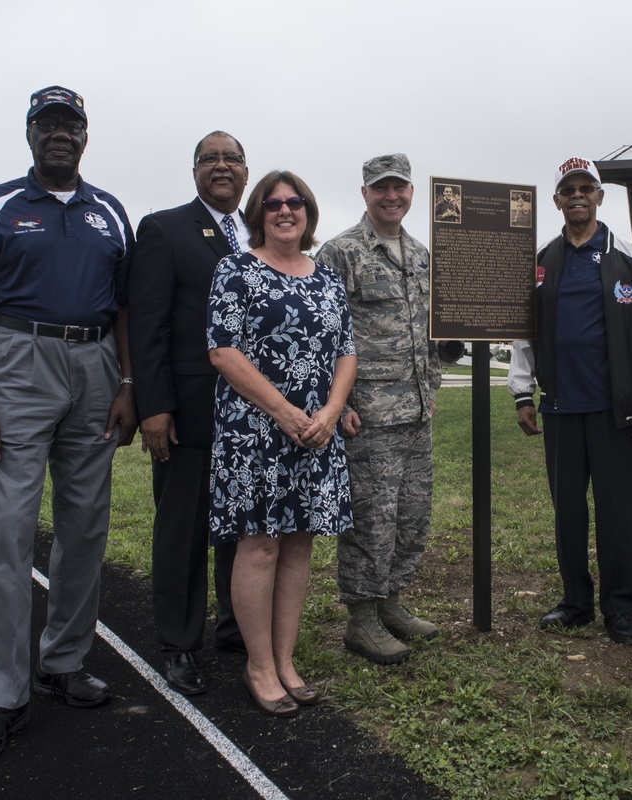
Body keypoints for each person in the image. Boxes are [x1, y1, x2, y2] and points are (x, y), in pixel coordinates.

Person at [0, 86, 137, 759]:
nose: (60, 134)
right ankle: (2, 696)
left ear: (86, 136)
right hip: (19, 364)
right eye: (48, 123)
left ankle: (63, 662)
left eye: (71, 124)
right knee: (12, 533)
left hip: (96, 366)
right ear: (29, 133)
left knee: (85, 526)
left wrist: (128, 384)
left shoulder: (109, 212)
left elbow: (125, 308)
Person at [207, 171, 356, 716]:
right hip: (256, 434)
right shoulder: (235, 271)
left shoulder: (328, 278)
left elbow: (346, 350)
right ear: (258, 214)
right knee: (261, 544)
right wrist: (286, 412)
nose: (285, 211)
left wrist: (332, 411)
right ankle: (259, 666)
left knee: (298, 544)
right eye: (274, 204)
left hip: (316, 432)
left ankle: (286, 660)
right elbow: (223, 351)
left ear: (309, 213)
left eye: (295, 203)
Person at [509, 156, 632, 646]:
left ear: (600, 196)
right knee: (569, 514)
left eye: (586, 189)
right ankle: (575, 602)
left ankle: (620, 608)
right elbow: (524, 333)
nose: (577, 196)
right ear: (557, 200)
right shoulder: (543, 259)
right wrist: (523, 392)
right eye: (568, 190)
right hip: (560, 407)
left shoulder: (626, 254)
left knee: (617, 513)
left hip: (614, 410)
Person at [128, 131, 248, 696]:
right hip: (190, 411)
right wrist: (154, 407)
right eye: (210, 159)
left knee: (242, 529)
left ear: (246, 171)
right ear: (194, 171)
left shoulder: (264, 229)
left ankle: (235, 625)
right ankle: (179, 644)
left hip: (252, 417)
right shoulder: (163, 229)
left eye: (231, 159)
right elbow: (146, 324)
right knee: (183, 532)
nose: (221, 167)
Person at [317, 154, 442, 665]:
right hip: (366, 416)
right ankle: (361, 620)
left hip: (415, 413)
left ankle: (391, 601)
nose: (392, 196)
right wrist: (336, 401)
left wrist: (430, 384)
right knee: (372, 518)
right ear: (365, 193)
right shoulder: (341, 252)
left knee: (412, 515)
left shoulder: (419, 253)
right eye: (381, 188)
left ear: (411, 191)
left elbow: (430, 327)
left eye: (400, 187)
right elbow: (321, 334)